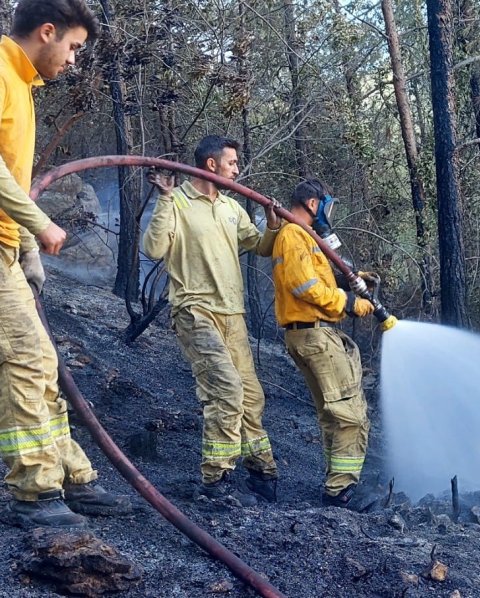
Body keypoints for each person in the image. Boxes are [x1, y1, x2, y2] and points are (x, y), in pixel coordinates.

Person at [0, 0, 131, 529]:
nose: (75, 59)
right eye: (74, 46)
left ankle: (70, 477)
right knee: (29, 361)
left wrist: (24, 248)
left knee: (42, 363)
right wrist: (39, 225)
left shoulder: (21, 86)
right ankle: (35, 493)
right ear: (47, 31)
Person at [143, 135, 280, 505]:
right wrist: (164, 198)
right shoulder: (179, 201)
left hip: (233, 315)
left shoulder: (232, 208)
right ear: (211, 165)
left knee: (251, 396)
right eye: (232, 163)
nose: (237, 170)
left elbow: (261, 246)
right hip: (195, 311)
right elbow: (153, 248)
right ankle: (215, 482)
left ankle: (260, 471)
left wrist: (272, 224)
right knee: (226, 391)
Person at [272, 179, 377, 510]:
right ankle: (341, 491)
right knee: (350, 415)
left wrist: (353, 275)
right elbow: (305, 287)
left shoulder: (300, 236)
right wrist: (348, 303)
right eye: (325, 208)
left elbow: (315, 277)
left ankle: (337, 484)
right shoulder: (293, 234)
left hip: (309, 334)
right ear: (313, 204)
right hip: (315, 334)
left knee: (333, 415)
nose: (327, 215)